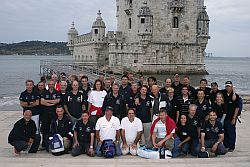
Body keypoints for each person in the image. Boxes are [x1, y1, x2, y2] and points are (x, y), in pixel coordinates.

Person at [41, 80, 61, 151]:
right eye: (49, 84)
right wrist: (52, 102)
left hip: (54, 114)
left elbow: (58, 101)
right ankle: (44, 144)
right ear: (48, 85)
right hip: (45, 114)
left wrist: (47, 101)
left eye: (52, 84)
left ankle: (54, 143)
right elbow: (42, 102)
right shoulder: (44, 92)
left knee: (54, 129)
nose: (51, 85)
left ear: (54, 84)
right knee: (45, 129)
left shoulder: (57, 92)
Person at [222, 81, 240, 152]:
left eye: (229, 86)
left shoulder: (236, 96)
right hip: (224, 117)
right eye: (226, 86)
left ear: (232, 87)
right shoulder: (223, 93)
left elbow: (237, 108)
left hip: (231, 117)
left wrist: (234, 118)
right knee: (225, 131)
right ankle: (226, 145)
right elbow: (216, 91)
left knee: (231, 132)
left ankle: (232, 146)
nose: (227, 87)